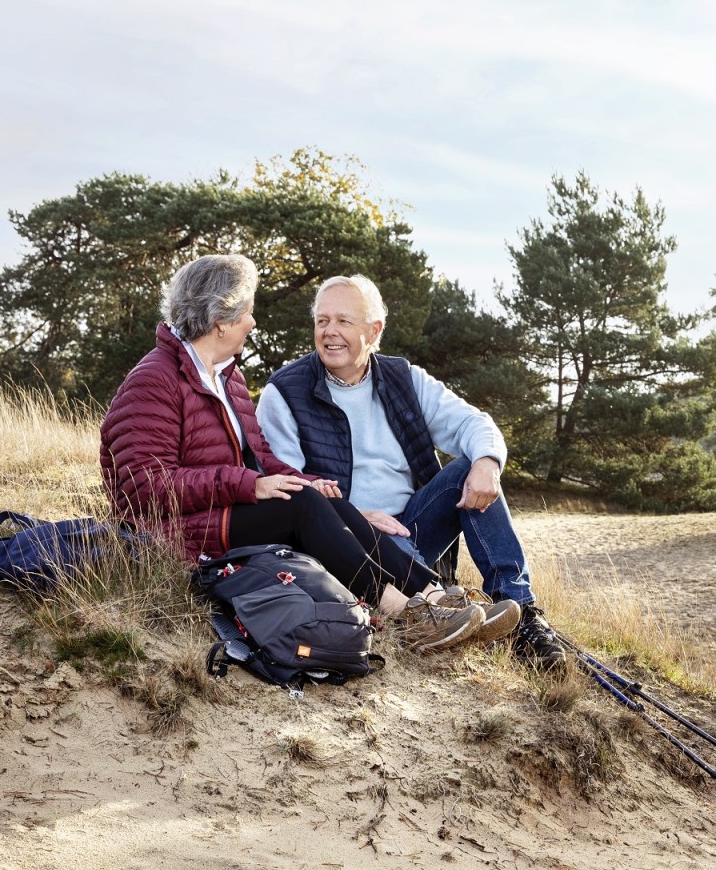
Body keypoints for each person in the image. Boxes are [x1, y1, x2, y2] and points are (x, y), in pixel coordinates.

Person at [99, 254, 484, 651]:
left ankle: (436, 597)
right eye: (248, 312)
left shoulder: (227, 378)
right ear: (222, 320)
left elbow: (261, 455)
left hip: (220, 512)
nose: (253, 323)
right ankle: (405, 613)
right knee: (301, 507)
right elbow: (141, 486)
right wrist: (251, 485)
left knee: (320, 498)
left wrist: (308, 482)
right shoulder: (155, 378)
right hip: (176, 530)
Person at [256, 273, 567, 670]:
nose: (329, 332)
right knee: (388, 549)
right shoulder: (284, 392)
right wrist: (351, 514)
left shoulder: (405, 379)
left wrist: (488, 463)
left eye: (343, 321)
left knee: (471, 465)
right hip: (345, 536)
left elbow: (473, 423)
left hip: (413, 525)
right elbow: (287, 484)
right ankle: (433, 611)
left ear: (374, 330)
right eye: (322, 321)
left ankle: (521, 618)